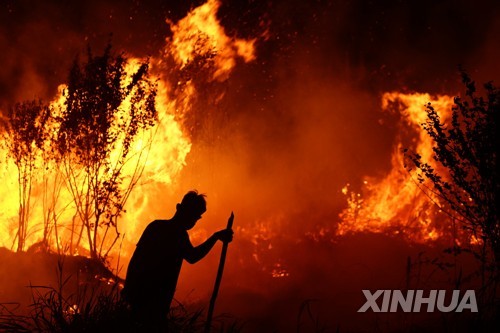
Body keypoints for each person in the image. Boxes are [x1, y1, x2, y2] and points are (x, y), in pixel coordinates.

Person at [122, 190, 233, 331]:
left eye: (196, 217)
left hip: (148, 298)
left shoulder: (157, 227)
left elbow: (135, 259)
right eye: (193, 215)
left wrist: (129, 287)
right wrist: (215, 237)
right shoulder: (175, 234)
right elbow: (192, 257)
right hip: (152, 299)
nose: (193, 221)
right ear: (179, 208)